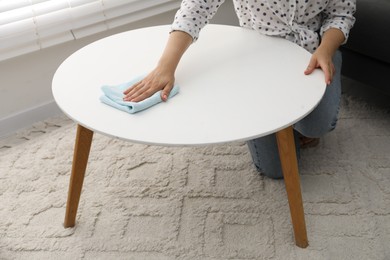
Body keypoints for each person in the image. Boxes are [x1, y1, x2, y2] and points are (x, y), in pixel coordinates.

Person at [123, 0, 356, 179]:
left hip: (313, 51)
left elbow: (341, 13)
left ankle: (297, 122)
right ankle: (268, 112)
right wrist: (166, 66)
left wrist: (326, 49)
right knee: (275, 170)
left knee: (316, 126)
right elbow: (196, 8)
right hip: (258, 58)